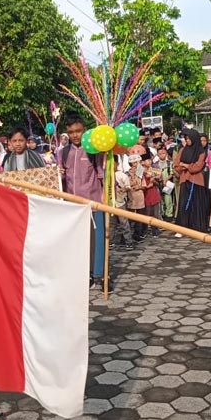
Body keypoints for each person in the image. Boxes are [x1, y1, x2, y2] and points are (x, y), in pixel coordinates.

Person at [59, 114, 110, 291]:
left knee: (98, 241)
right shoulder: (63, 152)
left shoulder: (93, 149)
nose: (75, 135)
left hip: (94, 203)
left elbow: (102, 175)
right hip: (73, 206)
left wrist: (106, 200)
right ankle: (85, 274)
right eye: (71, 132)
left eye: (78, 131)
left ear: (84, 130)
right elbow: (61, 179)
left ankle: (100, 275)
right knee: (79, 242)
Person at [173, 128, 208, 236]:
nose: (187, 141)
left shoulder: (201, 151)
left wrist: (186, 165)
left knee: (196, 204)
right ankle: (183, 228)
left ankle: (196, 227)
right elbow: (176, 165)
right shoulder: (183, 150)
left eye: (188, 138)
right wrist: (184, 167)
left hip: (196, 181)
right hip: (184, 179)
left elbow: (197, 167)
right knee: (184, 204)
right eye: (185, 138)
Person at [110, 155, 135, 250]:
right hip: (110, 203)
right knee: (111, 224)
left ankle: (128, 241)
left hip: (120, 202)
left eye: (113, 163)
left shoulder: (122, 175)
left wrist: (124, 189)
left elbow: (128, 186)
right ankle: (111, 241)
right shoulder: (105, 176)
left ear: (117, 164)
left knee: (124, 222)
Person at [141, 151, 161, 237]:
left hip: (154, 194)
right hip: (145, 195)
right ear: (142, 162)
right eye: (147, 160)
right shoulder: (140, 171)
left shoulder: (153, 170)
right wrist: (149, 184)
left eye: (150, 160)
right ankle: (144, 231)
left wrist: (154, 180)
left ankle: (155, 230)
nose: (149, 162)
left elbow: (158, 183)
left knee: (155, 214)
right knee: (146, 214)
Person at [127, 154, 146, 242]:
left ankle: (138, 234)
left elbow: (144, 185)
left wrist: (139, 187)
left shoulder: (141, 173)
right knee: (131, 217)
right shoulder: (127, 174)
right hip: (131, 198)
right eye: (138, 162)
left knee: (140, 217)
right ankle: (129, 234)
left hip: (140, 198)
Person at [157, 145, 175, 220]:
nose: (162, 155)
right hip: (158, 184)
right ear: (157, 154)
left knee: (168, 199)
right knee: (161, 200)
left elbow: (172, 173)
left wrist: (166, 179)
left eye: (164, 153)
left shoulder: (169, 163)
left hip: (168, 184)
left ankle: (169, 214)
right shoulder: (155, 164)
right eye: (160, 153)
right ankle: (162, 214)